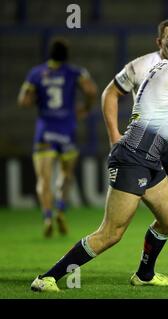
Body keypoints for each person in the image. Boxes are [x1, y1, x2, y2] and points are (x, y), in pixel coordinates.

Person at [30, 24, 168, 292]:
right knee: (111, 233)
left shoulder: (161, 68)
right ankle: (48, 277)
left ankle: (145, 274)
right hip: (133, 159)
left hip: (148, 158)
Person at [102, 18, 168, 279]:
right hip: (145, 145)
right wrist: (114, 134)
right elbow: (110, 94)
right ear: (160, 41)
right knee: (166, 212)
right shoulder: (140, 66)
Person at [17, 38, 97, 237]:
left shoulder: (36, 73)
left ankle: (46, 216)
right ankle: (60, 209)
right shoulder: (75, 72)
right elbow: (91, 90)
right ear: (66, 55)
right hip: (67, 130)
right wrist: (85, 108)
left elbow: (23, 101)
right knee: (66, 175)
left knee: (44, 179)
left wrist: (36, 97)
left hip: (45, 131)